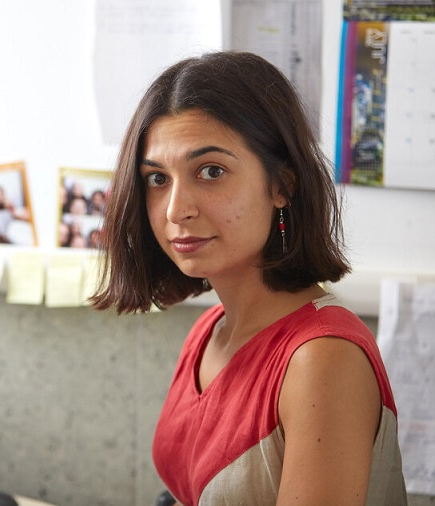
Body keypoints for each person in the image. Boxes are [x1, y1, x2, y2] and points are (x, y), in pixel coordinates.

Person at [89, 51, 406, 505]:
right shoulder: (208, 330)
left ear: (282, 186)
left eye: (211, 171)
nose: (177, 209)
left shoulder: (322, 359)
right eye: (157, 178)